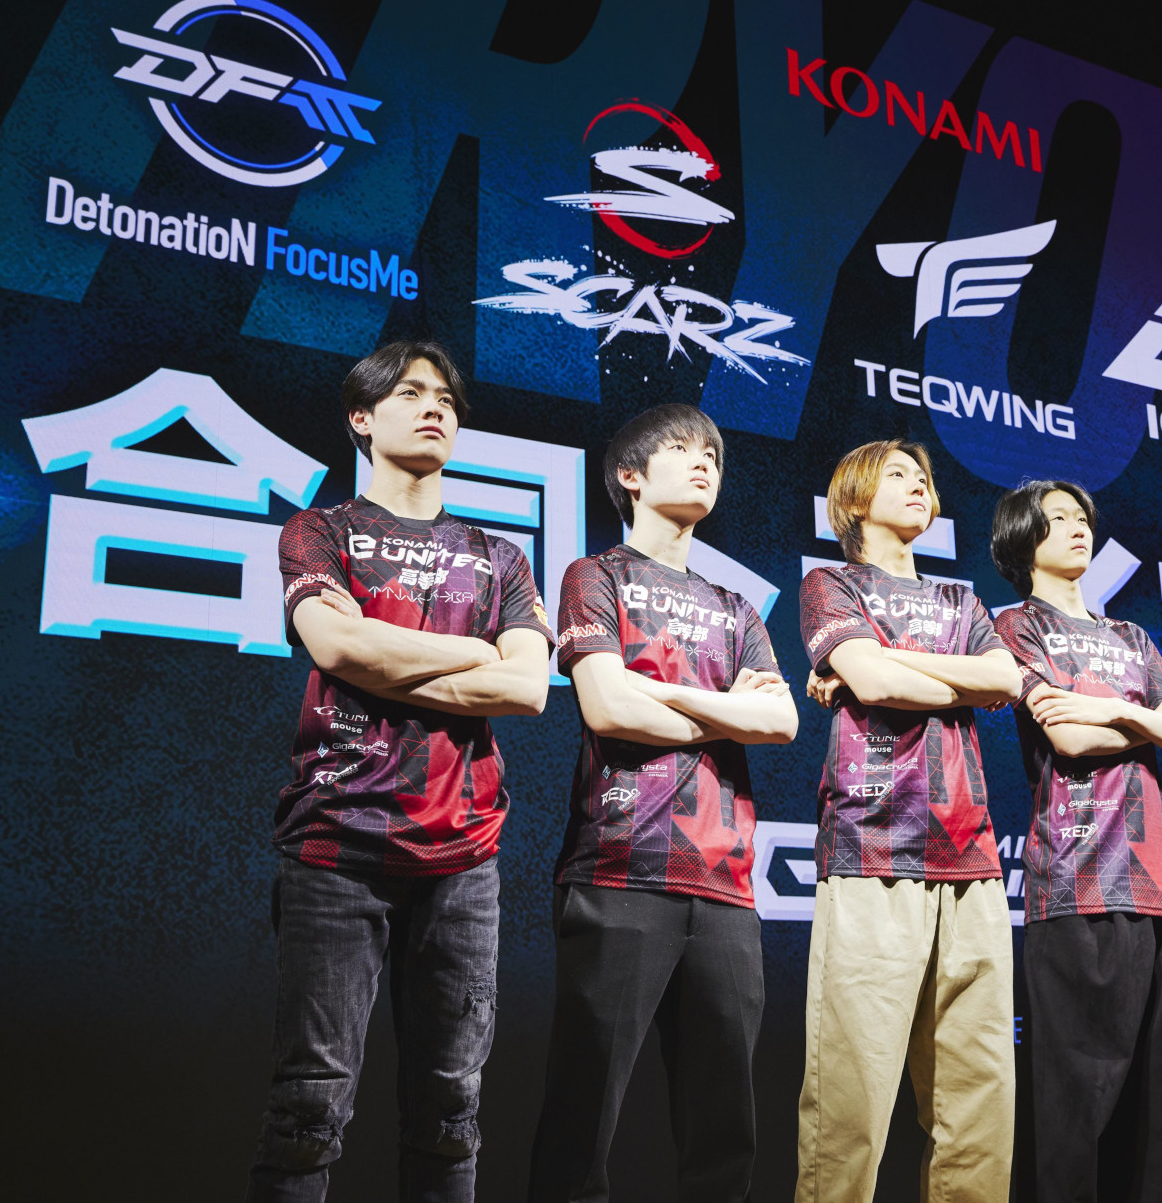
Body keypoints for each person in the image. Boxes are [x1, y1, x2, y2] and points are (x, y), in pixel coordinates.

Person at [251, 340, 555, 1202]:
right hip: (335, 844)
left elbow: (528, 687)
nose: (434, 408)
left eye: (447, 400)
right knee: (309, 1109)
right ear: (362, 416)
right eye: (412, 393)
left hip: (463, 856)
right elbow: (337, 646)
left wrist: (386, 653)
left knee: (450, 1112)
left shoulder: (500, 557)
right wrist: (474, 651)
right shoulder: (320, 530)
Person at [525, 404, 797, 1203]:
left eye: (713, 451)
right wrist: (726, 708)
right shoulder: (595, 576)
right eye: (682, 448)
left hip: (726, 886)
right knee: (581, 1122)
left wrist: (661, 691)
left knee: (724, 1135)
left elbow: (780, 720)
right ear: (631, 476)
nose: (704, 461)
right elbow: (608, 706)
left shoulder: (736, 606)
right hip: (619, 869)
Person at [796, 438, 1024, 1203]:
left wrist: (896, 664)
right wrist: (949, 680)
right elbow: (873, 680)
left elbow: (1006, 676)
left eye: (923, 475)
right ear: (856, 496)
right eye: (898, 473)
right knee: (850, 1101)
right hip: (872, 847)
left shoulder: (962, 600)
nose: (918, 484)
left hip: (973, 858)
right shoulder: (831, 582)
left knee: (979, 1099)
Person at [988, 480, 1162, 1203]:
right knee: (1076, 1106)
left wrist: (1115, 712)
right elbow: (1071, 739)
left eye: (1082, 517)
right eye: (1058, 519)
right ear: (1024, 538)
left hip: (1160, 889)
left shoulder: (1133, 637)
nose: (1079, 528)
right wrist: (1145, 717)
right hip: (1077, 882)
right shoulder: (1017, 625)